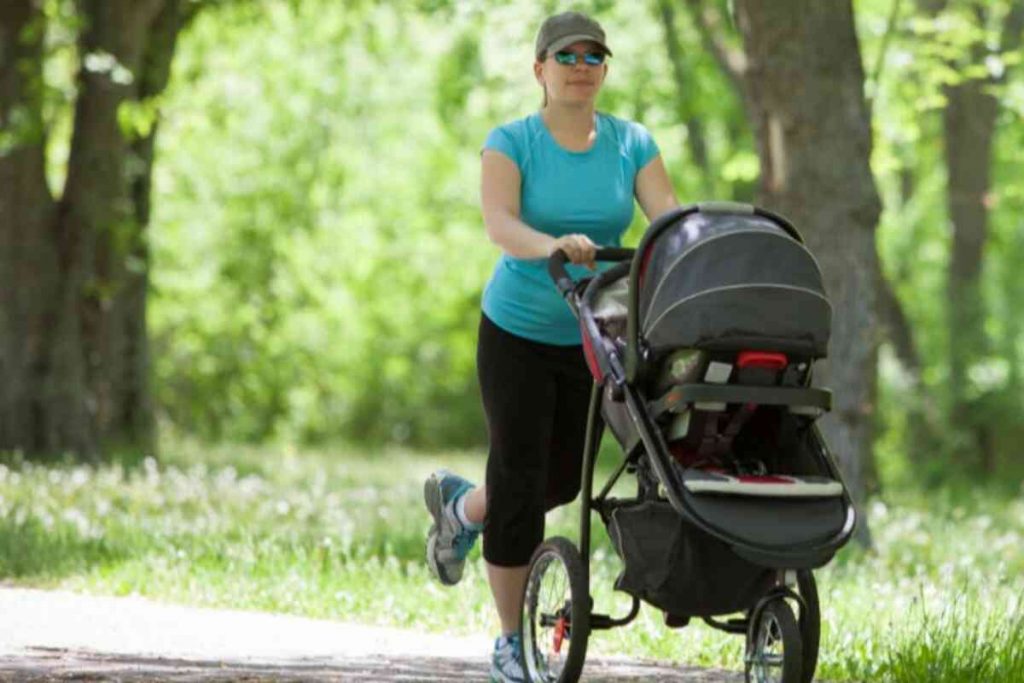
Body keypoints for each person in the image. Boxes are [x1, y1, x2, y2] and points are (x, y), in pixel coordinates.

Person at [424, 10, 679, 683]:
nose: (580, 67)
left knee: (560, 481)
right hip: (518, 331)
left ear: (604, 71)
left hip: (596, 337)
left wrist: (697, 249)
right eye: (565, 56)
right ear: (540, 69)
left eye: (593, 56)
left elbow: (669, 223)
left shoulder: (631, 143)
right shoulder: (511, 142)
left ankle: (460, 508)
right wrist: (554, 248)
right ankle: (511, 640)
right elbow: (500, 224)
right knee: (518, 476)